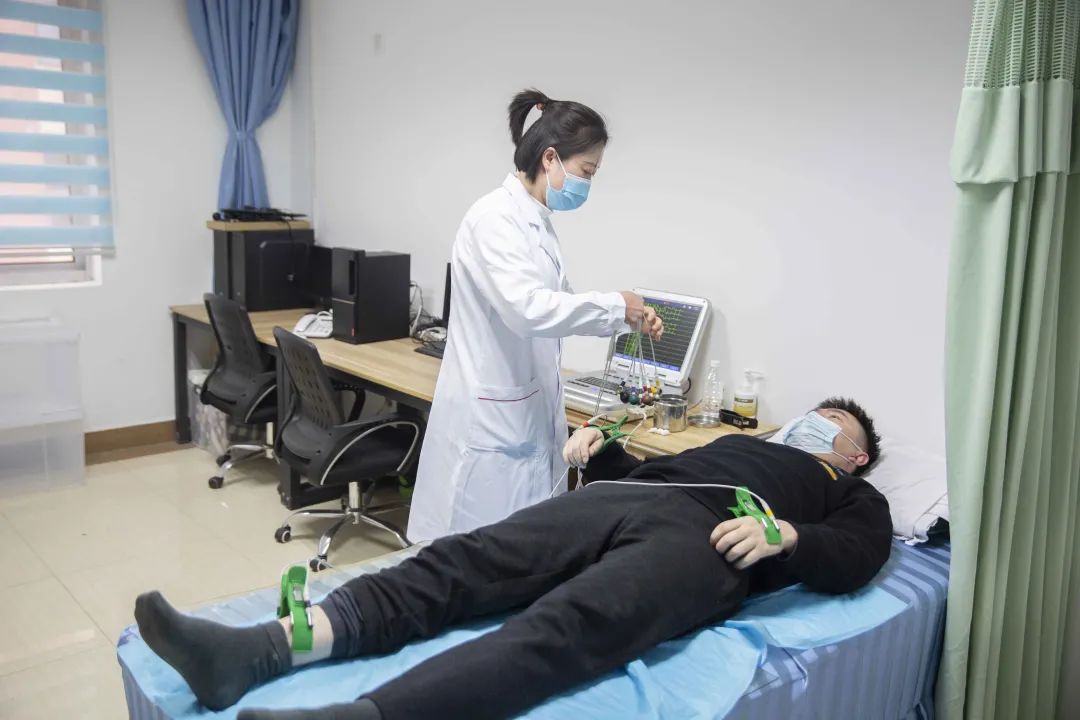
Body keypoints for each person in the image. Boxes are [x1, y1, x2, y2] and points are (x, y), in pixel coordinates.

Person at [134, 397, 890, 720]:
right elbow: (653, 473)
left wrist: (789, 538)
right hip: (630, 496)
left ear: (854, 455)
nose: (813, 423)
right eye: (814, 414)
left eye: (832, 424)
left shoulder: (850, 492)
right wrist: (603, 451)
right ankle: (255, 652)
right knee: (464, 561)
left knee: (569, 623)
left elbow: (860, 554)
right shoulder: (739, 442)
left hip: (714, 539)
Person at [406, 88, 664, 543]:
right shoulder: (494, 219)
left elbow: (556, 305)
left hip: (523, 412)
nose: (588, 183)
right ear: (550, 158)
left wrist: (626, 317)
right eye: (587, 171)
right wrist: (614, 305)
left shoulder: (536, 222)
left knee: (520, 546)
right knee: (479, 549)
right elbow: (528, 310)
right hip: (492, 425)